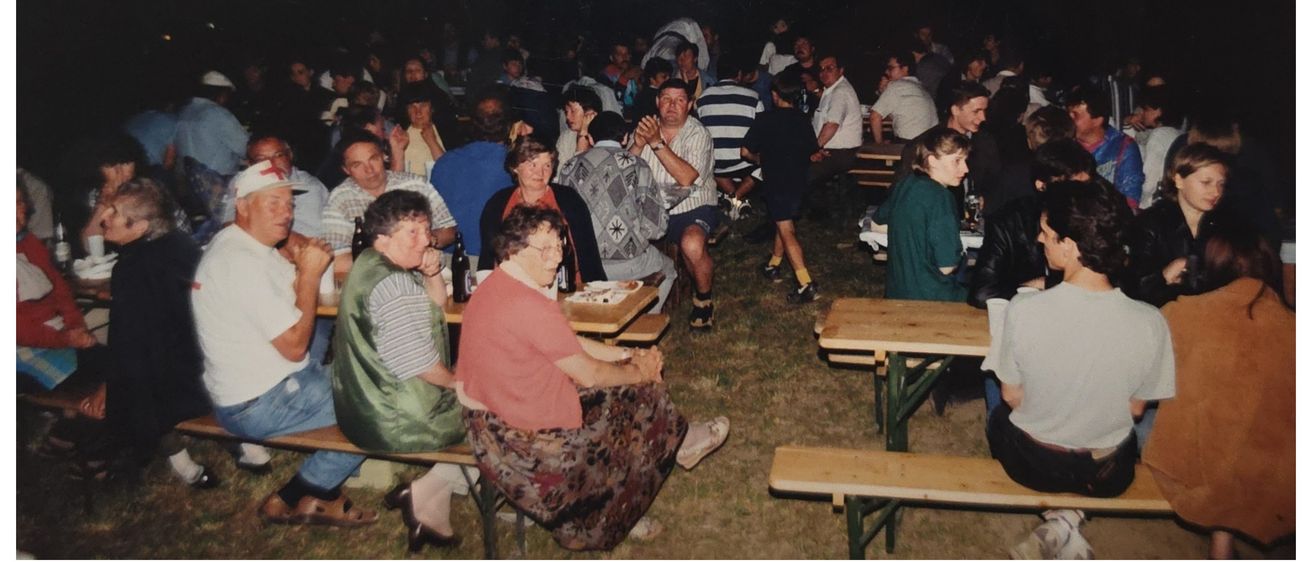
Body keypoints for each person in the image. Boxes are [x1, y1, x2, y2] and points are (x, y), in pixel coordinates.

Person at [456, 205, 730, 550]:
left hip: (494, 418)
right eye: (545, 249)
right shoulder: (526, 303)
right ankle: (610, 518)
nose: (556, 257)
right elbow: (590, 374)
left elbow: (565, 340)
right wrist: (638, 370)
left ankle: (682, 440)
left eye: (559, 246)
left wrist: (626, 354)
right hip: (520, 441)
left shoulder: (500, 283)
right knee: (634, 405)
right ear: (514, 250)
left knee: (633, 389)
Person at [989, 181, 1174, 559]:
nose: (1040, 240)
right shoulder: (1151, 321)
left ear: (1070, 246)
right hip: (1106, 474)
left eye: (1046, 233)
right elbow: (1135, 410)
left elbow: (1011, 396)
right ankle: (1068, 519)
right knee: (1128, 431)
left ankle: (1061, 522)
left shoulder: (1024, 310)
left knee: (996, 415)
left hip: (1031, 464)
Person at [192, 160, 375, 527]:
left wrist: (298, 259)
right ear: (242, 205)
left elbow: (288, 305)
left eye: (289, 203)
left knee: (369, 375)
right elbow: (294, 345)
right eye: (272, 203)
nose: (286, 212)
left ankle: (316, 494)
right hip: (261, 402)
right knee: (379, 408)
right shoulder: (240, 262)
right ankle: (295, 496)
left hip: (268, 386)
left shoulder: (245, 245)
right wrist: (308, 273)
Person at [332, 191, 471, 552]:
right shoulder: (393, 284)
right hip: (399, 421)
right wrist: (464, 384)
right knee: (503, 411)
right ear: (383, 238)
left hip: (363, 408)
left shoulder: (368, 265)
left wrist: (432, 272)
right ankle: (430, 489)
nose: (427, 240)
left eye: (426, 230)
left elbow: (433, 307)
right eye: (414, 232)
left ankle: (430, 499)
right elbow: (421, 365)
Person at [1143, 228, 1294, 559]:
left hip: (1195, 471)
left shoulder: (1184, 312)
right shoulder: (1295, 328)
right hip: (1280, 480)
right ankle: (1222, 541)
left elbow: (1140, 381)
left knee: (1137, 421)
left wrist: (1161, 287)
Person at [78, 178, 216, 487]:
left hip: (178, 384)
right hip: (203, 363)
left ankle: (121, 462)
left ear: (139, 228)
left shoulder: (132, 268)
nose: (104, 219)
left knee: (113, 380)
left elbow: (130, 346)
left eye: (114, 213)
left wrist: (107, 388)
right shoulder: (180, 243)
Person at [558, 112, 675, 307]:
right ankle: (641, 323)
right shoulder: (638, 165)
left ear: (591, 138)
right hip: (627, 264)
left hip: (582, 263)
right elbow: (656, 229)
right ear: (625, 138)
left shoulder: (569, 166)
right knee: (669, 268)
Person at [630, 78, 718, 330]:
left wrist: (656, 143)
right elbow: (624, 169)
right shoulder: (646, 128)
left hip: (691, 205)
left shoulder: (698, 133)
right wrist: (637, 144)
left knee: (691, 243)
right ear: (657, 102)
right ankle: (631, 303)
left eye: (680, 100)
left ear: (689, 105)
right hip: (649, 208)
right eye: (666, 99)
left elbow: (687, 178)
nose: (672, 105)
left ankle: (703, 299)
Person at [969, 139, 1094, 307]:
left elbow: (1123, 285)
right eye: (1068, 187)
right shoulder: (1009, 221)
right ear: (1041, 185)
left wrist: (1049, 284)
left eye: (1085, 187)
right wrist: (1031, 289)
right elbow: (983, 293)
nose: (1078, 196)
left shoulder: (1096, 219)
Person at [322, 131, 458, 274]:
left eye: (373, 159)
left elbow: (449, 230)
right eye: (357, 165)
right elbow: (337, 261)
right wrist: (398, 256)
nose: (369, 170)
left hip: (424, 269)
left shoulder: (414, 184)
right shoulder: (340, 198)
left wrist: (429, 239)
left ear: (383, 156)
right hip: (372, 277)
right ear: (346, 170)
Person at [476, 136, 605, 283]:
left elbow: (589, 257)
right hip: (513, 289)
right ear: (515, 167)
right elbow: (488, 259)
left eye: (547, 165)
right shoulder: (497, 204)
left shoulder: (569, 199)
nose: (540, 173)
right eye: (533, 165)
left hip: (567, 288)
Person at [742, 72, 821, 303]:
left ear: (775, 95)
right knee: (784, 221)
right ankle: (773, 264)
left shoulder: (765, 119)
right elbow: (811, 150)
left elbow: (744, 151)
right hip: (799, 180)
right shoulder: (802, 120)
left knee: (786, 229)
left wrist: (760, 160)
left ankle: (805, 283)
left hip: (776, 182)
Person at [1124, 143, 1228, 307]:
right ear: (1179, 180)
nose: (1216, 192)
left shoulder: (1227, 224)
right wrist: (1163, 276)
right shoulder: (1150, 225)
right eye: (1206, 182)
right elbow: (1131, 289)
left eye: (1221, 184)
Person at [17, 185, 99, 393]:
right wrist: (66, 338)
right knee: (99, 380)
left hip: (55, 334)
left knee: (115, 363)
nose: (17, 213)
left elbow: (60, 290)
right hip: (23, 349)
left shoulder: (27, 241)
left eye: (18, 203)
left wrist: (75, 324)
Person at [872, 128, 970, 301]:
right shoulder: (941, 198)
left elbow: (876, 223)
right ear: (932, 161)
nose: (965, 168)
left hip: (897, 292)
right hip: (932, 297)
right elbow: (946, 266)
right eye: (957, 161)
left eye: (965, 161)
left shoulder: (906, 184)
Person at [429, 95, 519, 268]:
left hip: (447, 262)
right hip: (493, 263)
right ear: (509, 126)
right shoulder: (514, 165)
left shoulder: (444, 162)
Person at [220, 135, 330, 239]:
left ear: (290, 155)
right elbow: (230, 223)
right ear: (250, 165)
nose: (271, 164)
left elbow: (306, 239)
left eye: (278, 155)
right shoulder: (242, 180)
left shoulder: (309, 188)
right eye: (261, 159)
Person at [698, 53, 765, 207]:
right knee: (766, 163)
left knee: (716, 169)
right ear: (739, 74)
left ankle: (732, 199)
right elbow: (762, 132)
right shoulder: (753, 96)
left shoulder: (702, 98)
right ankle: (737, 197)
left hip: (715, 164)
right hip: (743, 162)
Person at [1068, 87, 1145, 209]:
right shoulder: (1066, 146)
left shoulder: (1124, 148)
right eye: (1068, 113)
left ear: (1097, 120)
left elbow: (1130, 202)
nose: (1068, 119)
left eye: (1075, 116)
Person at [175, 71, 249, 178]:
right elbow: (246, 148)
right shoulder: (218, 113)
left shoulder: (184, 111)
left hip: (189, 181)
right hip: (217, 182)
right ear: (222, 94)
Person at [1123, 85, 1183, 208]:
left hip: (1150, 204)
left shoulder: (1159, 136)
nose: (1142, 113)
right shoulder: (1175, 133)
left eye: (1146, 109)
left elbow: (1149, 181)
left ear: (1158, 112)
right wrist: (1128, 123)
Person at [869, 51, 938, 144]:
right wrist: (883, 92)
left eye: (891, 68)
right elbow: (896, 114)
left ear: (905, 68)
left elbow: (875, 117)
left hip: (909, 143)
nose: (886, 71)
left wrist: (879, 144)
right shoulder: (919, 86)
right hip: (929, 143)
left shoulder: (897, 85)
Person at [393, 84, 447, 176]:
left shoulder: (445, 132)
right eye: (412, 106)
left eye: (423, 105)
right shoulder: (400, 135)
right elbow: (395, 176)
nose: (418, 112)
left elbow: (448, 170)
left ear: (432, 108)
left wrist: (432, 142)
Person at [555, 86, 603, 168]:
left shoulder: (605, 137)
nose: (568, 117)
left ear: (591, 113)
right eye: (566, 112)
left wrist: (584, 134)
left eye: (573, 111)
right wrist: (583, 134)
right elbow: (561, 173)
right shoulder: (566, 137)